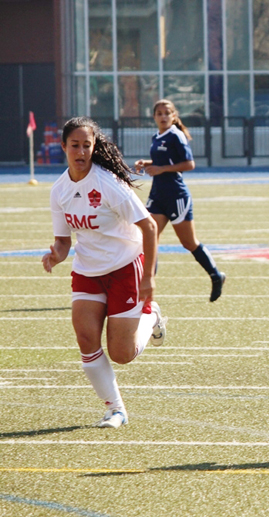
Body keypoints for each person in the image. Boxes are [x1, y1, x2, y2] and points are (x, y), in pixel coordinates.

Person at [42, 117, 167, 428]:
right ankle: (116, 409)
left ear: (94, 147)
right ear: (64, 147)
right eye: (75, 145)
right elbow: (63, 241)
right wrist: (55, 256)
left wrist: (148, 277)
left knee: (122, 354)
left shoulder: (109, 183)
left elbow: (149, 227)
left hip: (125, 267)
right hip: (87, 271)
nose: (81, 151)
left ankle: (151, 317)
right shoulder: (59, 190)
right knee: (86, 338)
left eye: (87, 145)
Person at [134, 99, 225, 302]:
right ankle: (145, 291)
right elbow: (162, 161)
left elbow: (189, 164)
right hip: (157, 195)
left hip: (176, 196)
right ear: (154, 117)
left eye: (167, 113)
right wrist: (147, 163)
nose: (163, 116)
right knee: (149, 241)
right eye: (159, 113)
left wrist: (160, 169)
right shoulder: (157, 136)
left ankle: (215, 275)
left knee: (189, 242)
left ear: (174, 116)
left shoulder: (176, 135)